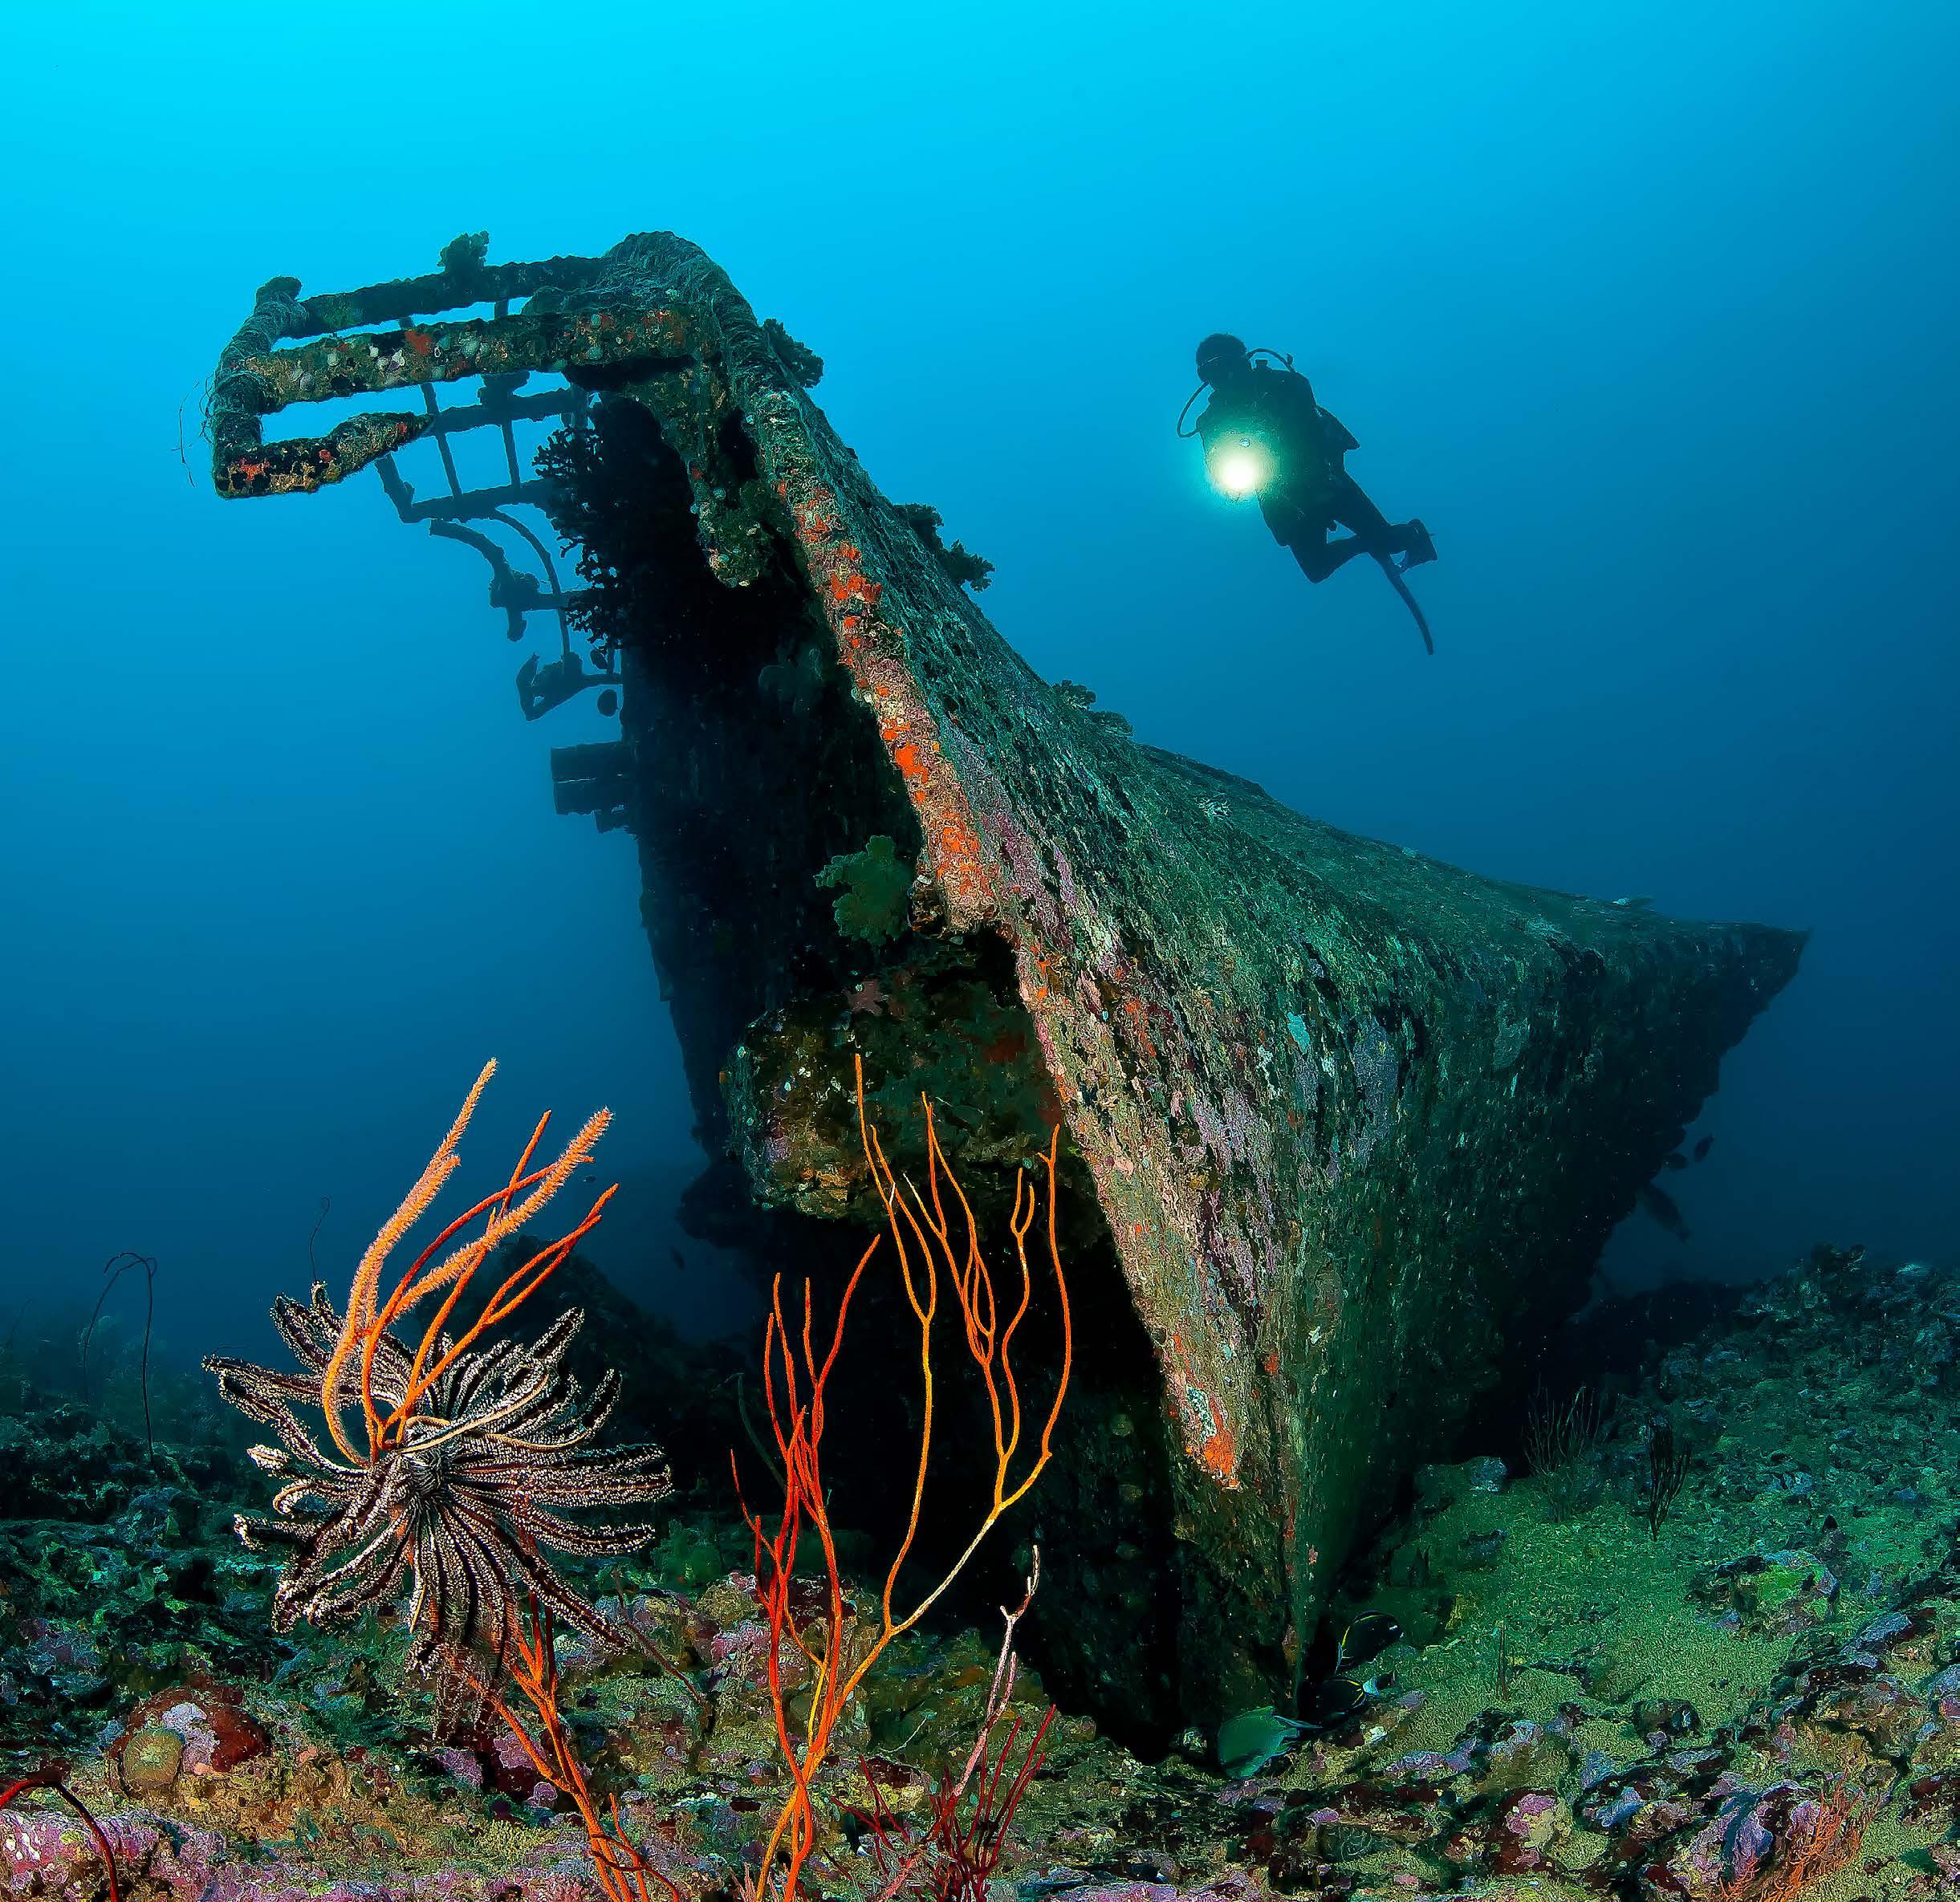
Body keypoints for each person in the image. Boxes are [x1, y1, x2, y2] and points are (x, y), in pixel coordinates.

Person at [1190, 333, 1437, 648]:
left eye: (1225, 367)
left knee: (1388, 540)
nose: (1221, 379)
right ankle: (1367, 542)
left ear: (1243, 362)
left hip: (1325, 479)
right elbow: (1215, 463)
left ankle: (1410, 534)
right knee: (1317, 569)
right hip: (1283, 499)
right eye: (1210, 373)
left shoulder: (1284, 384)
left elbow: (1309, 420)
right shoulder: (1211, 420)